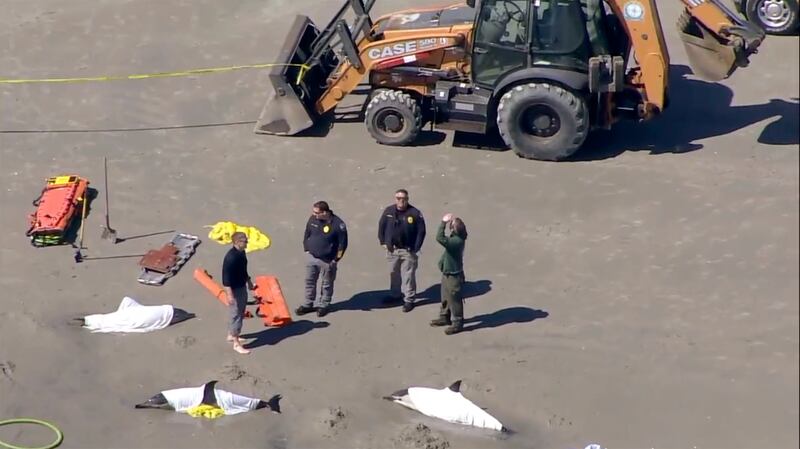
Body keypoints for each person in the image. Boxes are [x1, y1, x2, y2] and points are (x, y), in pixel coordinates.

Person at [297, 201, 348, 317]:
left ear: (325, 212)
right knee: (309, 281)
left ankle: (323, 305)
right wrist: (306, 247)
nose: (314, 215)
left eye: (317, 213)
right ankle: (308, 304)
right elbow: (307, 233)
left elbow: (342, 245)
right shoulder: (313, 219)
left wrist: (336, 259)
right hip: (312, 256)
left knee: (327, 284)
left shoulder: (338, 225)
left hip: (328, 260)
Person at [378, 189, 426, 312]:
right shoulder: (389, 211)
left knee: (408, 275)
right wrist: (383, 242)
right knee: (393, 273)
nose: (401, 201)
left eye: (403, 198)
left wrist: (416, 248)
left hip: (408, 251)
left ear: (407, 199)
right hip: (392, 249)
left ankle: (409, 299)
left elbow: (421, 232)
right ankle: (395, 295)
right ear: (395, 199)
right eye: (398, 198)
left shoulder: (414, 213)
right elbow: (381, 226)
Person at [430, 213, 468, 335]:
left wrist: (443, 222)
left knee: (455, 299)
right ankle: (444, 316)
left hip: (454, 275)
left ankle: (457, 322)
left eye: (452, 225)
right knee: (445, 295)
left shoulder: (456, 242)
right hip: (448, 273)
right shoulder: (455, 237)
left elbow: (439, 238)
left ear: (454, 229)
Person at [222, 231, 254, 354]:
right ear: (236, 242)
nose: (247, 243)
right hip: (235, 289)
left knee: (239, 311)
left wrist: (249, 282)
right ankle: (236, 343)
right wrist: (229, 294)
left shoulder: (241, 253)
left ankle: (231, 334)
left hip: (241, 286)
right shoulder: (231, 258)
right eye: (244, 241)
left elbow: (243, 270)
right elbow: (226, 279)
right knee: (236, 314)